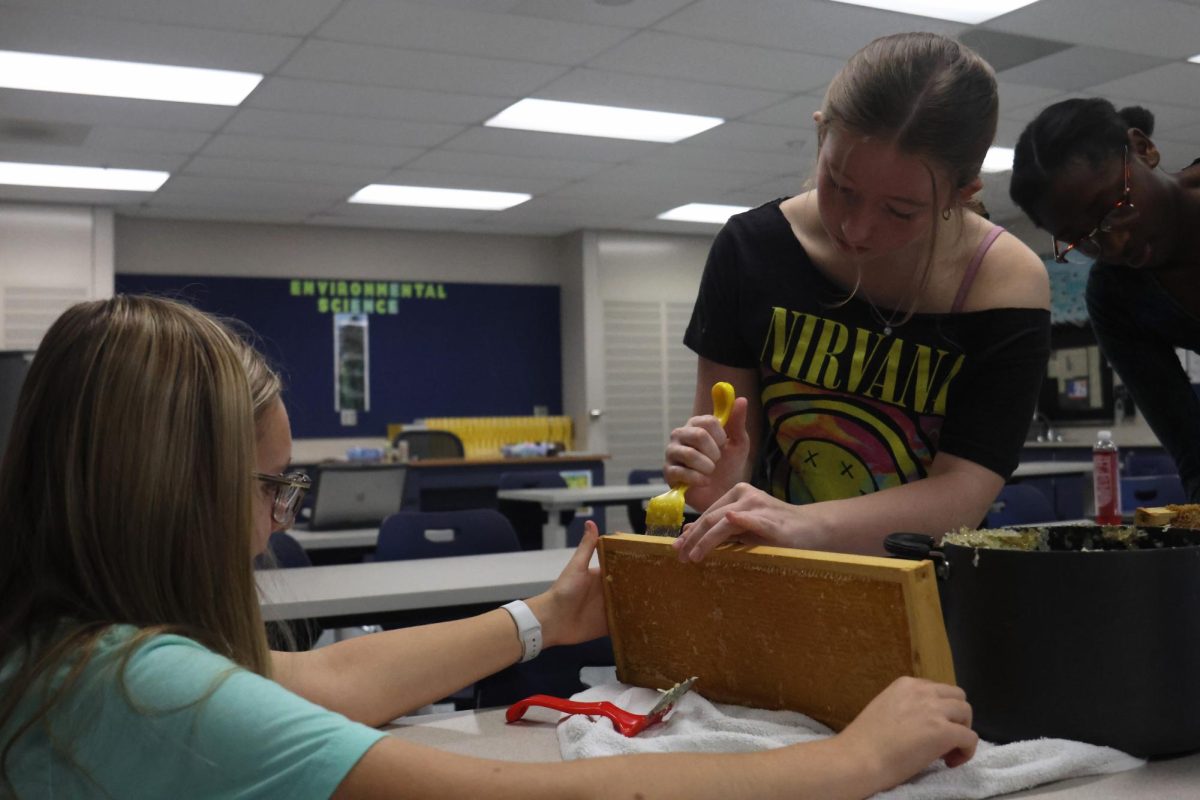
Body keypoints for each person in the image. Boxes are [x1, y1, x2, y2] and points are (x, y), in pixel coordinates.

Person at [0, 295, 977, 798]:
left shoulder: (75, 658)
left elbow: (324, 679)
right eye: (270, 487)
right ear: (174, 494)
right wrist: (848, 760)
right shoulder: (145, 690)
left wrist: (540, 620)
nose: (275, 521)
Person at [665, 32, 1051, 562]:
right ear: (822, 134)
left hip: (931, 596)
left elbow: (963, 490)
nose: (856, 228)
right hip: (776, 581)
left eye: (900, 210)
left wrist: (802, 524)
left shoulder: (1001, 282)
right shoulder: (750, 248)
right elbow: (725, 466)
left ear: (964, 193)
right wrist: (713, 479)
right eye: (840, 186)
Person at [1009, 98, 1200, 502]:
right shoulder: (1117, 296)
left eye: (1114, 207)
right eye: (1084, 239)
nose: (1114, 243)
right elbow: (1193, 450)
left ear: (1143, 149)